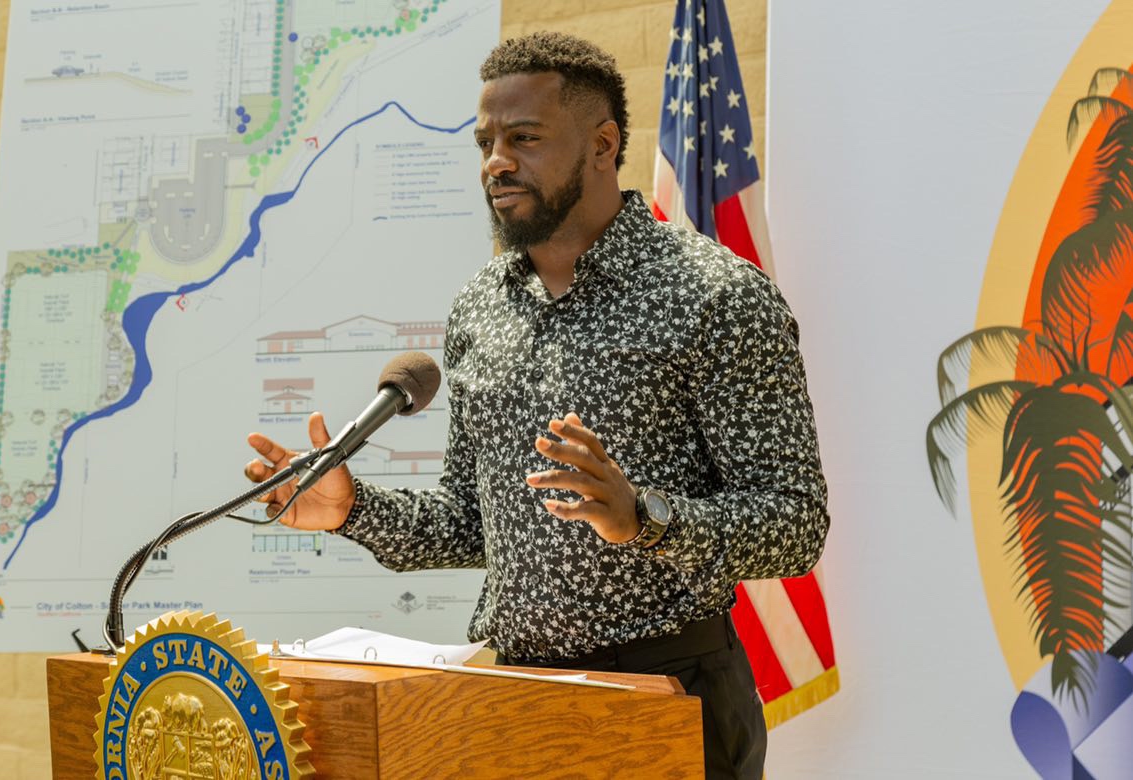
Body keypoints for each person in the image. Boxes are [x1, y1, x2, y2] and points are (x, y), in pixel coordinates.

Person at [243, 31, 829, 780]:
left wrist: (642, 519)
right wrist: (351, 509)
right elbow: (467, 523)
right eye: (485, 141)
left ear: (602, 145)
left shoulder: (715, 297)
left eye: (524, 138)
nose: (495, 162)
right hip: (516, 700)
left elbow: (795, 524)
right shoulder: (479, 309)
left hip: (667, 694)